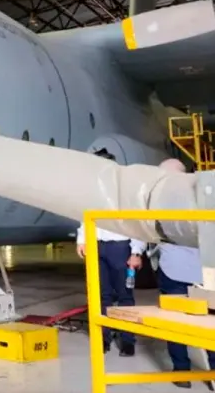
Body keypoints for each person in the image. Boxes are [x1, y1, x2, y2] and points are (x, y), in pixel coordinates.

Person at [76, 149, 144, 356]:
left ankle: (128, 340)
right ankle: (103, 338)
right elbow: (84, 217)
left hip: (120, 248)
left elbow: (137, 224)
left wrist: (136, 252)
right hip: (97, 246)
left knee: (125, 295)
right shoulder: (92, 192)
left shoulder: (125, 193)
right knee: (101, 295)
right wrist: (82, 240)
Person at [152, 159, 213, 388]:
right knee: (208, 320)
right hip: (203, 269)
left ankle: (181, 371)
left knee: (174, 321)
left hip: (174, 268)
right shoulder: (202, 193)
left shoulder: (160, 197)